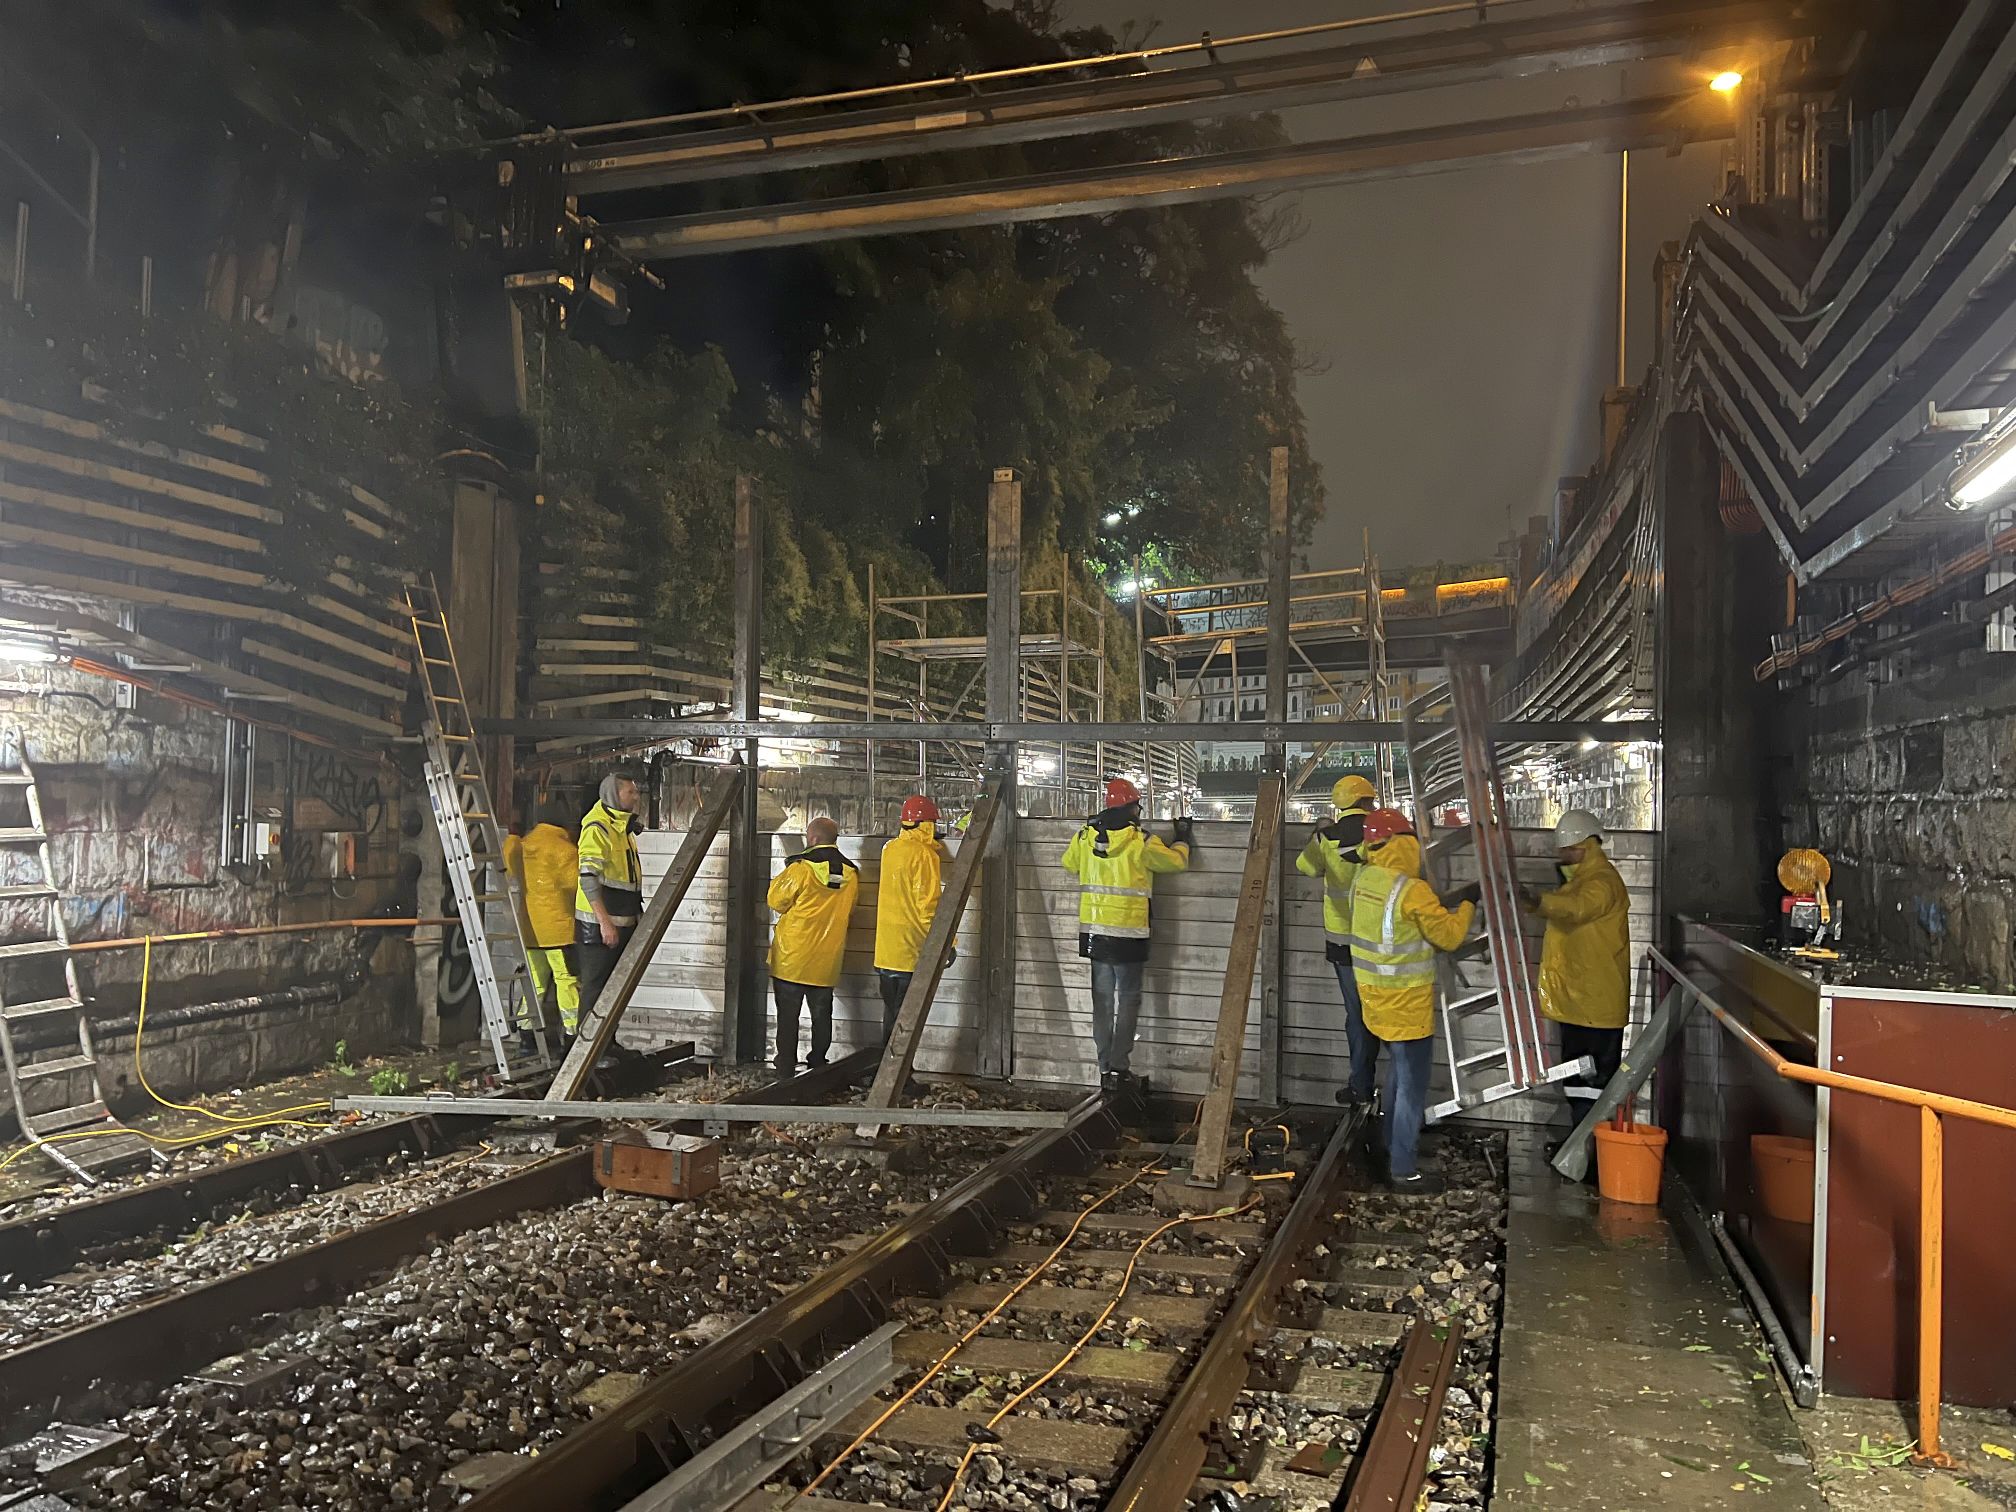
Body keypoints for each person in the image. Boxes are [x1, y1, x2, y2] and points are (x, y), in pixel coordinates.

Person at [1349, 808, 1476, 1192]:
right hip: (1407, 1005)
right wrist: (1469, 902)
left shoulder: (1364, 878)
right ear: (1404, 844)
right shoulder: (1412, 890)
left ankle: (1389, 1142)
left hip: (1374, 1000)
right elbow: (1450, 937)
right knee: (1411, 1086)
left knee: (1397, 1075)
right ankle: (1403, 1168)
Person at [1059, 776, 1191, 1089]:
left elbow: (1068, 864)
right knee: (1128, 1000)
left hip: (1094, 935)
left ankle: (1105, 1067)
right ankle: (1120, 1066)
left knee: (1102, 1002)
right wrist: (1183, 836)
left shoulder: (1085, 836)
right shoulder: (1141, 841)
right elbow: (1177, 863)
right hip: (1129, 936)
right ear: (1133, 808)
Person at [1526, 809, 1632, 1093]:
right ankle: (1580, 1137)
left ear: (1582, 847)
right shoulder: (1578, 882)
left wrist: (1535, 900)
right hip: (1582, 1004)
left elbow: (1575, 908)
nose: (1562, 855)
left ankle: (1589, 1136)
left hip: (1595, 1007)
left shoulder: (1601, 883)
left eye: (1567, 850)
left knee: (1593, 1085)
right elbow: (1565, 905)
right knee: (1577, 1081)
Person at [1296, 774, 1378, 1105]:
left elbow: (1306, 867)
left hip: (1342, 944)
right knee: (1386, 1015)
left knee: (1357, 1016)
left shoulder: (1326, 838)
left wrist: (1318, 833)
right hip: (1380, 942)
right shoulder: (1380, 834)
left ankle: (1360, 1085)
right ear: (1366, 801)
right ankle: (1373, 1086)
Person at [767, 815, 860, 1073]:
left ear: (813, 838)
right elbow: (850, 910)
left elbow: (775, 900)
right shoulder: (851, 874)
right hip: (827, 959)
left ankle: (785, 1063)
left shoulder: (801, 869)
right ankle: (818, 1061)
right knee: (822, 1015)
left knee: (788, 1015)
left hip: (792, 958)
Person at [873, 795, 951, 1038]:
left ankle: (887, 1071)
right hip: (911, 952)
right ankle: (900, 1074)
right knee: (906, 1020)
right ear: (926, 824)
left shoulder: (890, 849)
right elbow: (928, 907)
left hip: (885, 953)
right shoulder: (925, 855)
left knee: (891, 1014)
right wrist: (948, 944)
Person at [505, 801, 581, 1051]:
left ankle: (527, 1036)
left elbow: (507, 863)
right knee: (565, 980)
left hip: (530, 929)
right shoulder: (566, 850)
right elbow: (575, 887)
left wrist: (513, 835)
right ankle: (572, 1034)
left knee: (536, 982)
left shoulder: (522, 845)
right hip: (558, 930)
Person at [574, 768, 644, 1028]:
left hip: (619, 923)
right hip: (598, 928)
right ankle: (586, 1052)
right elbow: (588, 878)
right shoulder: (598, 826)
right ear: (614, 794)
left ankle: (606, 1045)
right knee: (595, 990)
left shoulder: (620, 827)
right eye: (630, 791)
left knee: (611, 992)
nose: (636, 797)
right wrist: (604, 923)